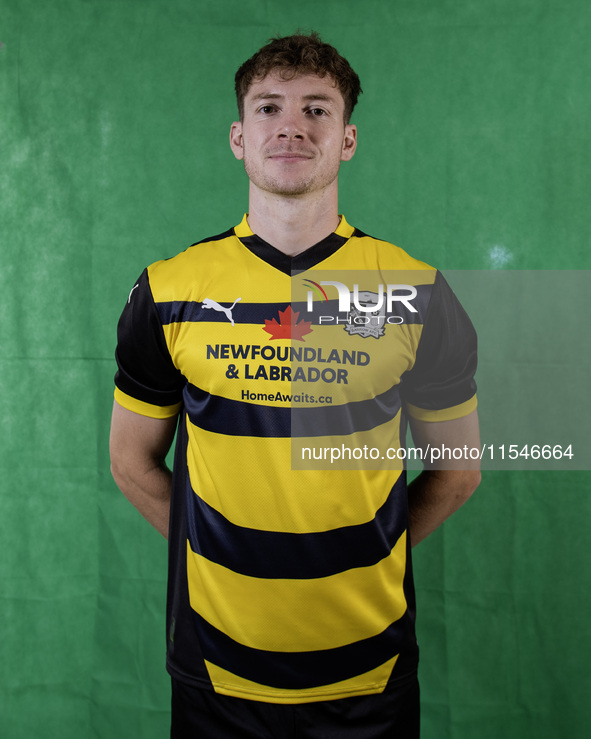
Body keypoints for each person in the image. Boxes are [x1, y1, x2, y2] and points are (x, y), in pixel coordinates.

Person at [110, 31, 481, 739]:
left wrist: (364, 552)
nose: (290, 125)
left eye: (316, 109)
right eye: (268, 107)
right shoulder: (169, 289)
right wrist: (221, 553)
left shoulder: (415, 292)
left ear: (346, 139)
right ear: (237, 136)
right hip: (218, 668)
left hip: (367, 673)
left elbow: (456, 470)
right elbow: (131, 461)